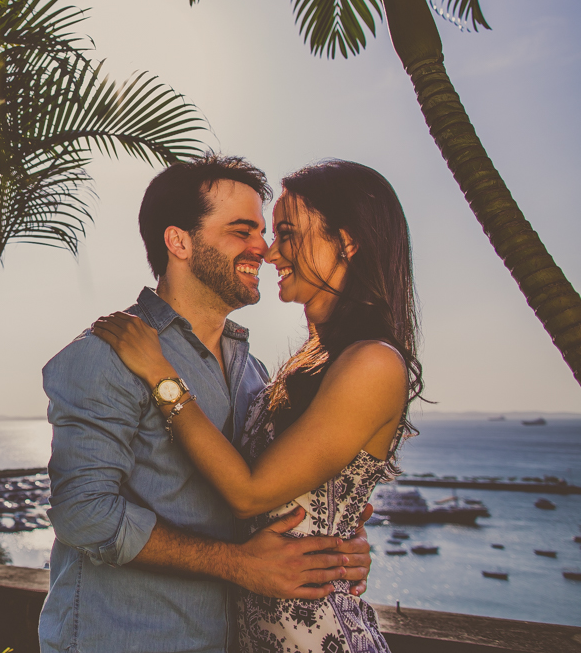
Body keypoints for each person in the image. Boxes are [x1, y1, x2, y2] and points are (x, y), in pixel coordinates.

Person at [39, 155, 374, 653]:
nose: (263, 248)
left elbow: (273, 495)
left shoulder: (254, 374)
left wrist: (335, 543)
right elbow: (82, 514)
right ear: (179, 242)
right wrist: (237, 564)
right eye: (242, 230)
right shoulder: (105, 354)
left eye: (264, 231)